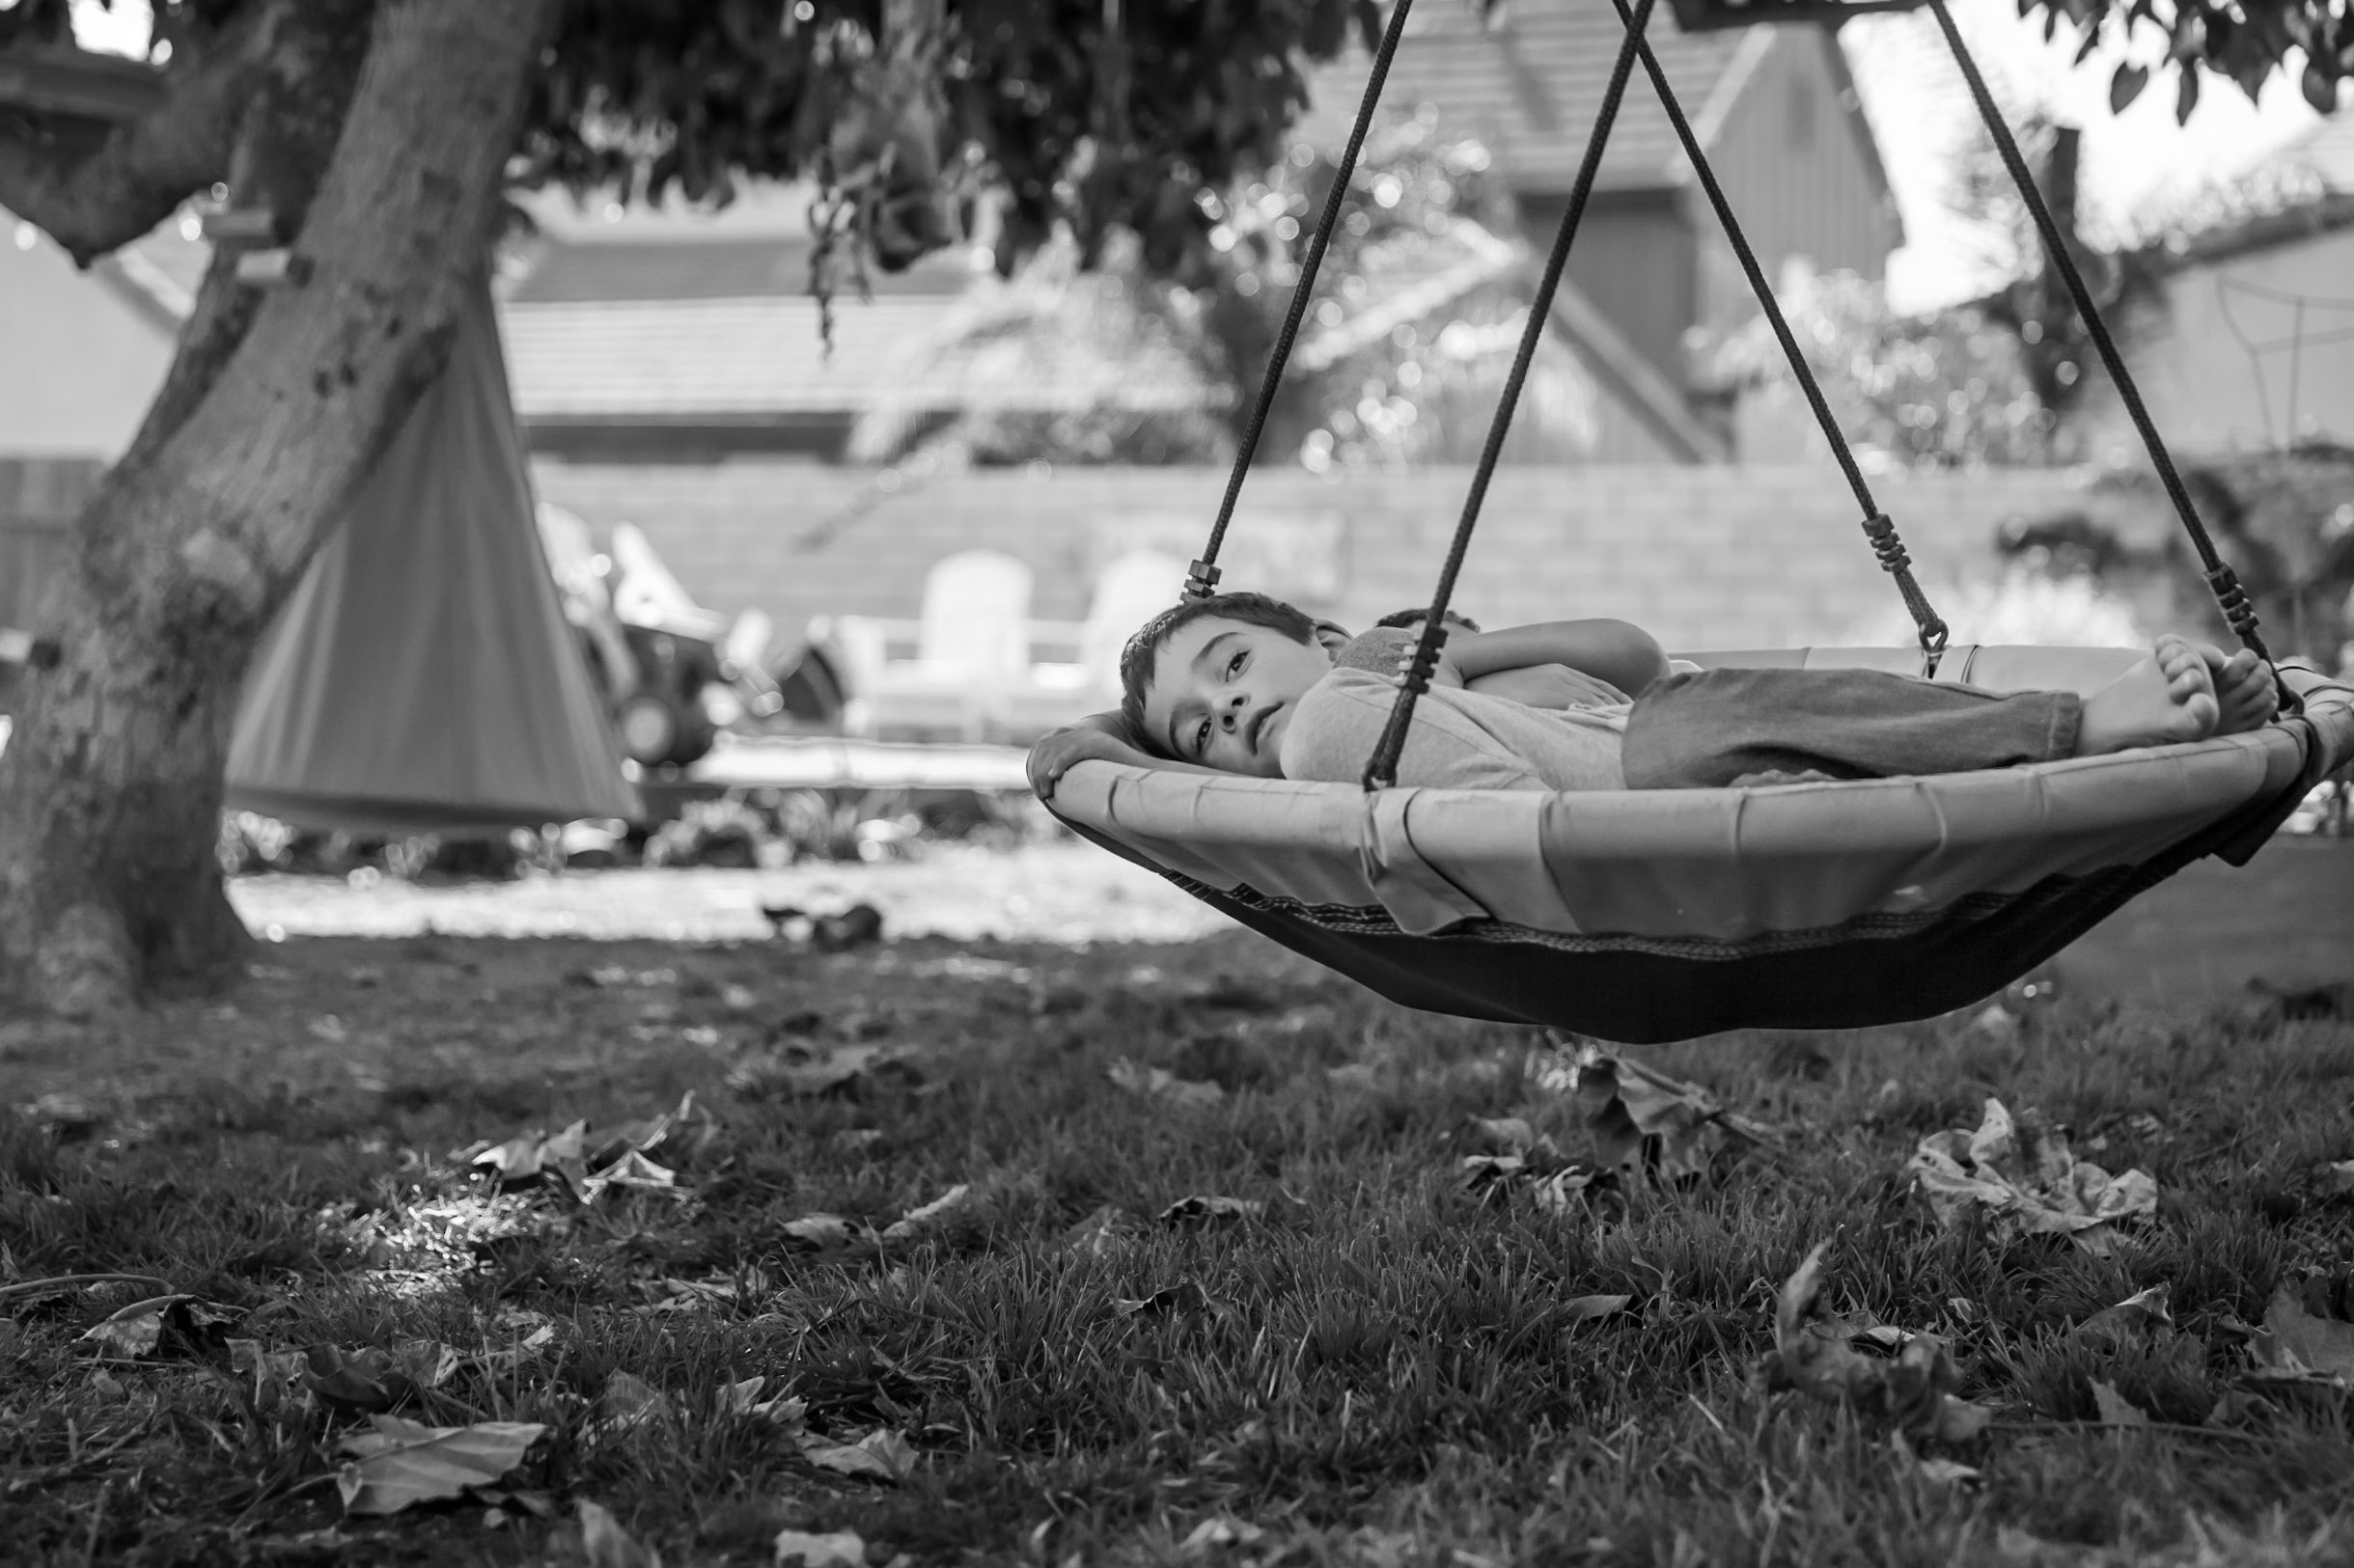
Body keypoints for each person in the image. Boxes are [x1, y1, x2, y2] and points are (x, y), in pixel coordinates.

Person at [1025, 591, 2279, 799]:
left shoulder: (1432, 661)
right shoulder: (1325, 749)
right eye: (1197, 733)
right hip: (1634, 793)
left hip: (1679, 729)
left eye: (1232, 666)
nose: (1223, 713)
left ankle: (2082, 731)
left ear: (1330, 635)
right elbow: (1300, 732)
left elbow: (1631, 651)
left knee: (1861, 706)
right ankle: (2096, 726)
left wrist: (1453, 654)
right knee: (1330, 728)